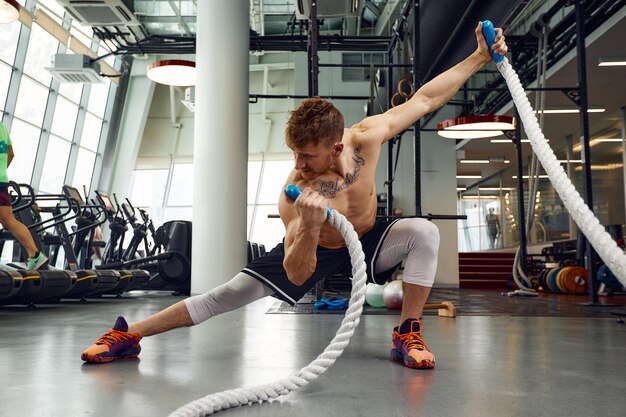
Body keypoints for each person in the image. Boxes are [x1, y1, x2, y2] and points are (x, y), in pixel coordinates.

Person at [82, 23, 508, 368]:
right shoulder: (294, 194)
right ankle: (127, 333)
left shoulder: (368, 137)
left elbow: (426, 97)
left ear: (337, 146)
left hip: (369, 239)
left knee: (424, 232)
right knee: (223, 296)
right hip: (314, 248)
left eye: (307, 156)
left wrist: (479, 58)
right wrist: (306, 227)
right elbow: (301, 276)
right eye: (294, 154)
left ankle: (407, 333)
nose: (298, 165)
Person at [0, 121, 48, 270]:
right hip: (2, 180)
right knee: (8, 219)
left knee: (7, 219)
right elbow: (11, 153)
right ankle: (35, 255)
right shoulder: (2, 126)